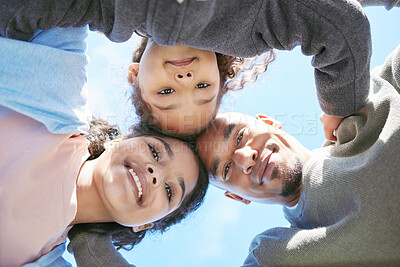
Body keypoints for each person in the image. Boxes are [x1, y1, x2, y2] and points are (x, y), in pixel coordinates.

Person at [1, 0, 375, 140]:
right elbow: (343, 26)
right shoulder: (250, 28)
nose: (184, 81)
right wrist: (340, 106)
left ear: (134, 74)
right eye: (202, 88)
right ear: (220, 71)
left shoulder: (106, 11)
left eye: (166, 94)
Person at [0, 27, 209, 266]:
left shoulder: (43, 260)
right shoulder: (63, 90)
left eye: (170, 191)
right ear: (119, 141)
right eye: (154, 151)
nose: (156, 173)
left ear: (142, 225)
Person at [195, 44, 400, 265]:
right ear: (238, 197)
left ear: (269, 122)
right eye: (226, 169)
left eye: (240, 136)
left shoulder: (366, 103)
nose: (246, 158)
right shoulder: (275, 255)